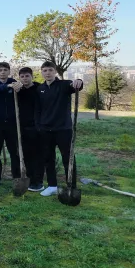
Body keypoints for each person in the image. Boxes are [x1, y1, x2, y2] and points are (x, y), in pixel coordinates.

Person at [35, 61, 84, 197]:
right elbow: (37, 110)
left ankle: (71, 186)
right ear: (42, 72)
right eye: (45, 70)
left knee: (68, 158)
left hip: (63, 129)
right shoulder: (40, 89)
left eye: (50, 70)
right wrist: (39, 126)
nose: (48, 73)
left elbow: (76, 86)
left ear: (55, 71)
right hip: (45, 130)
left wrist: (79, 81)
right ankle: (52, 185)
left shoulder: (64, 85)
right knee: (48, 158)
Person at [0, 62, 21, 186]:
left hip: (12, 123)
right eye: (0, 70)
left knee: (14, 151)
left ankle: (17, 176)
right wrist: (9, 86)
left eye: (5, 70)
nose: (2, 72)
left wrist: (17, 86)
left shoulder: (13, 81)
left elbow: (21, 88)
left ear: (9, 71)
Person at [16, 67, 43, 192]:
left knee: (37, 155)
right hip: (22, 127)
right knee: (25, 154)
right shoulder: (19, 91)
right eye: (22, 77)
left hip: (36, 127)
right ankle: (29, 178)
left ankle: (38, 181)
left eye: (27, 76)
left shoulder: (39, 89)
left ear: (32, 76)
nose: (25, 78)